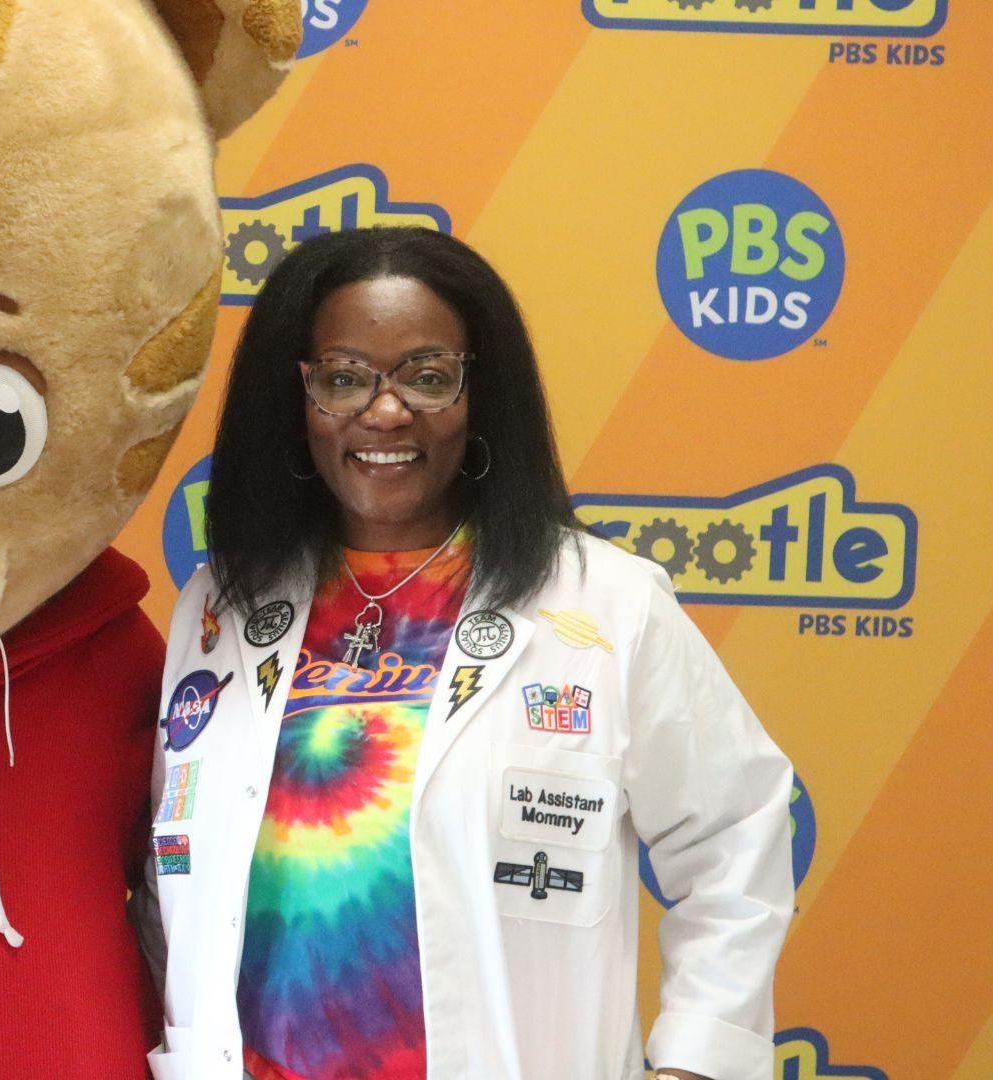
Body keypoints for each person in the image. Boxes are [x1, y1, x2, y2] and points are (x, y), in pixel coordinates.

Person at [144, 228, 794, 1080]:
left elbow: (736, 833)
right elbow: (172, 890)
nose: (384, 412)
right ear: (296, 402)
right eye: (342, 379)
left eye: (427, 375)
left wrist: (697, 1065)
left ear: (479, 395)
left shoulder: (606, 603)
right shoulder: (219, 608)